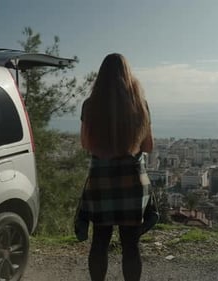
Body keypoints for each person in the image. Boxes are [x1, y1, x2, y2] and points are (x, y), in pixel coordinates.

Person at [80, 53, 154, 281]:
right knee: (131, 244)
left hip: (101, 180)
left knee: (100, 241)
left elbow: (86, 144)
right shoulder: (140, 105)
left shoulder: (90, 106)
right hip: (132, 180)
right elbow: (148, 146)